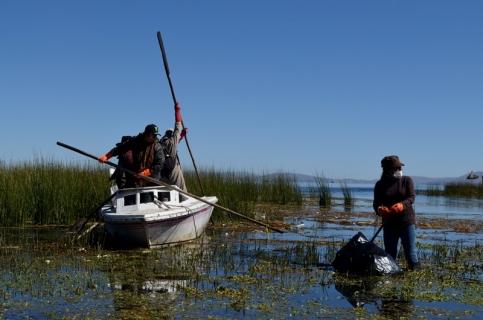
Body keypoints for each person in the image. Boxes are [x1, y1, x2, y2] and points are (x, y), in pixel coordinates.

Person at [373, 155, 419, 270]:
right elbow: (376, 204)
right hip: (389, 224)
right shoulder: (380, 185)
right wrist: (380, 210)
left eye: (400, 168)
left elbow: (411, 198)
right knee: (390, 255)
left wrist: (402, 205)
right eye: (396, 168)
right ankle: (392, 278)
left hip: (406, 222)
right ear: (387, 170)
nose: (399, 170)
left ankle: (414, 277)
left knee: (411, 254)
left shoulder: (407, 180)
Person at [98, 124, 165, 188]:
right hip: (136, 179)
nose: (154, 137)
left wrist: (145, 172)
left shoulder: (157, 147)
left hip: (151, 180)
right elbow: (121, 148)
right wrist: (107, 156)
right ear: (146, 134)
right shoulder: (135, 141)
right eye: (152, 135)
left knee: (147, 198)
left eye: (155, 136)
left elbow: (159, 164)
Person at [160, 103, 187, 191]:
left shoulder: (161, 142)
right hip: (173, 168)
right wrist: (177, 111)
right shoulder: (172, 140)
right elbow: (178, 126)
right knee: (182, 190)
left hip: (163, 171)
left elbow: (176, 142)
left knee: (167, 191)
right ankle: (184, 199)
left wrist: (182, 136)